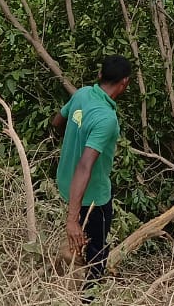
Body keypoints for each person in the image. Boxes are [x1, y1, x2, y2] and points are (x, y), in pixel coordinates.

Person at [52, 55, 130, 293]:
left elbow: (57, 121)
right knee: (97, 250)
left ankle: (71, 269)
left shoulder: (83, 94)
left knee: (83, 242)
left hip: (65, 183)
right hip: (92, 196)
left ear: (99, 76)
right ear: (124, 82)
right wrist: (72, 220)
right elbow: (85, 166)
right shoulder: (106, 119)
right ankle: (89, 298)